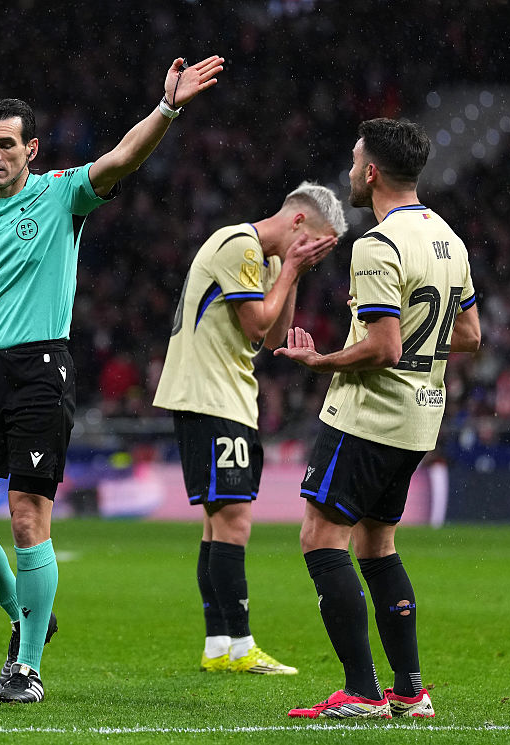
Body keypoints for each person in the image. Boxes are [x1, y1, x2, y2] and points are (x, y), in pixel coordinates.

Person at [0, 55, 225, 705]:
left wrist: (167, 108)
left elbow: (122, 159)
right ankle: (29, 614)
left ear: (31, 149)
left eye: (6, 144)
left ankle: (25, 667)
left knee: (28, 517)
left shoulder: (60, 194)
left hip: (39, 371)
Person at [276, 118, 481, 719]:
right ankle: (410, 691)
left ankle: (362, 692)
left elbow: (385, 348)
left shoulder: (378, 243)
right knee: (376, 543)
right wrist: (404, 326)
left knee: (320, 537)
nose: (348, 173)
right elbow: (470, 335)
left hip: (369, 414)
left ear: (370, 173)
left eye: (352, 162)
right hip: (420, 417)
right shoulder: (449, 239)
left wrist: (322, 361)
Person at [153, 182, 344, 675]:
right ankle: (241, 645)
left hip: (227, 396)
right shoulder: (238, 243)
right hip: (209, 395)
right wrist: (293, 269)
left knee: (219, 522)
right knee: (235, 520)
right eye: (314, 244)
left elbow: (274, 337)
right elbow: (257, 324)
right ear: (298, 221)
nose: (313, 255)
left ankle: (219, 644)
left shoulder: (270, 262)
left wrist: (292, 273)